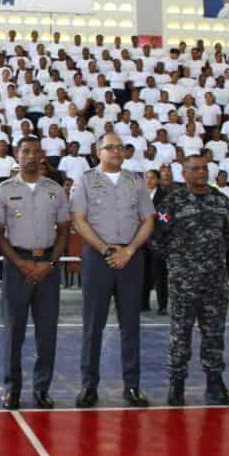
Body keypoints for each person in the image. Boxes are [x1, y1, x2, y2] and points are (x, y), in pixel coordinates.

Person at [71, 133, 155, 409]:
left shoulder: (136, 181)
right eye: (110, 147)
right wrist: (106, 249)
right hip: (98, 258)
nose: (116, 151)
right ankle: (88, 386)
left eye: (120, 147)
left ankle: (132, 386)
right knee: (93, 325)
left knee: (131, 325)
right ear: (98, 152)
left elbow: (148, 220)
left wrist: (129, 250)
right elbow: (79, 220)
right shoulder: (85, 180)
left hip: (131, 259)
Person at [153, 155, 229, 407]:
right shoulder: (173, 202)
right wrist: (178, 258)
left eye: (204, 168)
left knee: (214, 333)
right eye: (195, 169)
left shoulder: (220, 200)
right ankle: (176, 384)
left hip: (215, 280)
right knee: (180, 334)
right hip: (183, 281)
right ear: (184, 173)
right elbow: (157, 238)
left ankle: (215, 382)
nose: (201, 173)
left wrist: (212, 254)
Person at [0, 136, 70, 410]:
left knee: (46, 333)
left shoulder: (55, 190)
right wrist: (19, 263)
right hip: (17, 266)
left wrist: (51, 263)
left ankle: (41, 389)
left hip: (48, 267)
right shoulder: (3, 190)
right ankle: (11, 389)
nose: (31, 156)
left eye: (37, 152)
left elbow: (63, 231)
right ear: (17, 154)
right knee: (14, 332)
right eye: (26, 151)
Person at [141, 169, 170, 314]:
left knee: (160, 275)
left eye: (152, 178)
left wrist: (159, 235)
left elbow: (165, 219)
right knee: (142, 274)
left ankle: (162, 305)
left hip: (158, 241)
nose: (149, 180)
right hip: (141, 241)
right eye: (147, 177)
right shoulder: (139, 195)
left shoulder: (164, 197)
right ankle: (143, 304)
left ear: (158, 180)